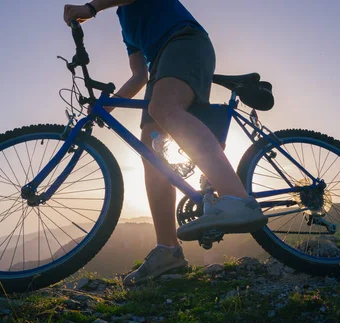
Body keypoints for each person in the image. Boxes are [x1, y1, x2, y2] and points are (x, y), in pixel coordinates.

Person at [63, 0, 267, 285]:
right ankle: (168, 251)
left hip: (184, 41)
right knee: (150, 147)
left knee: (165, 108)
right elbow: (139, 76)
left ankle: (238, 200)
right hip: (161, 63)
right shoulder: (126, 22)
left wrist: (91, 8)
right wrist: (106, 106)